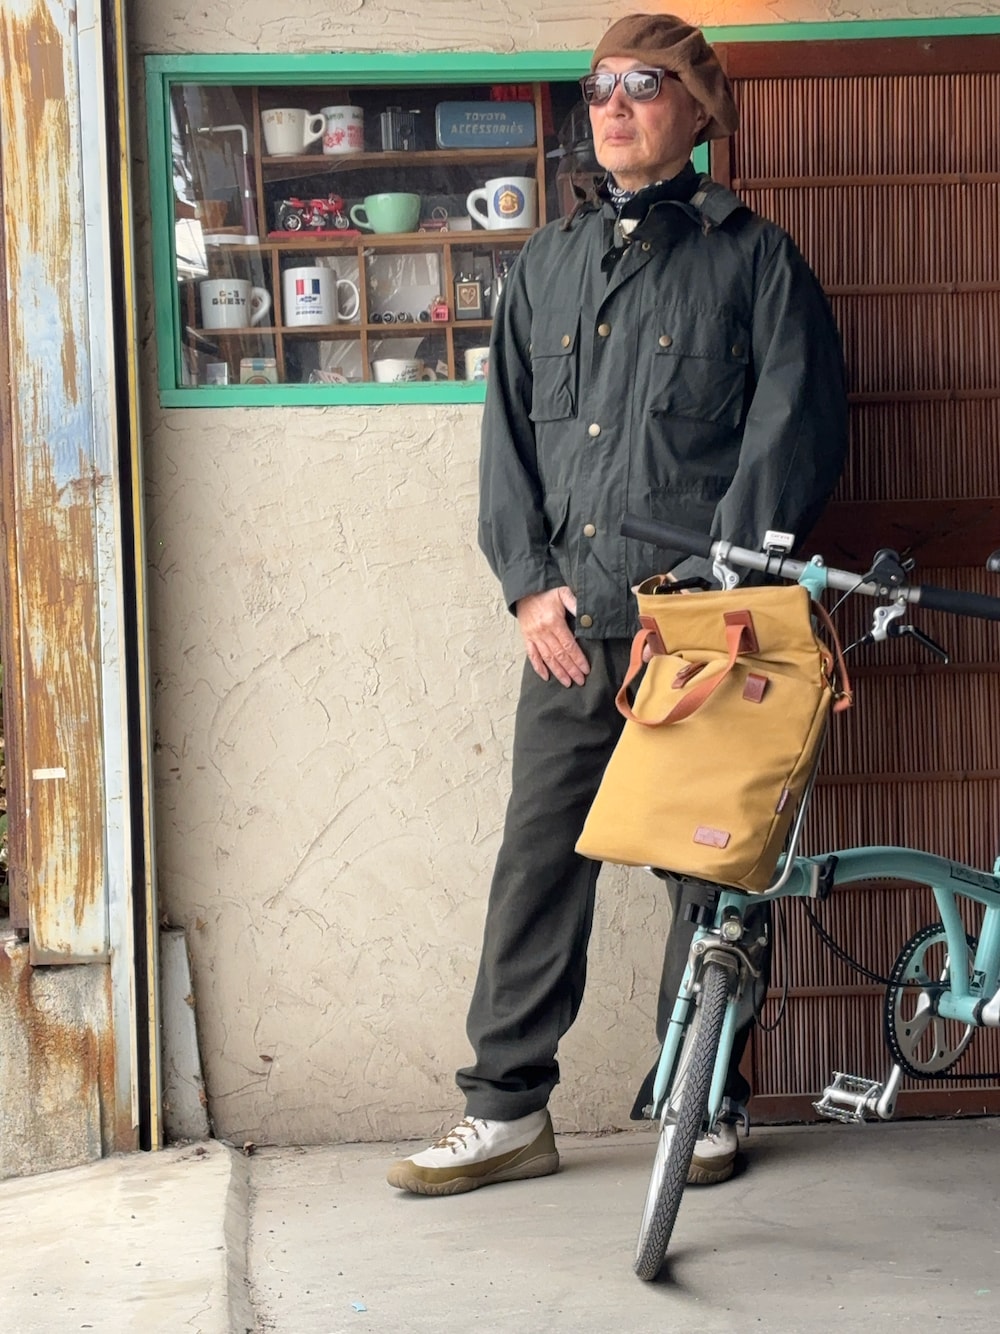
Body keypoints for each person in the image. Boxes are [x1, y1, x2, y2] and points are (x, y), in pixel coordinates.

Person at [387, 12, 848, 1196]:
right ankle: (504, 1112)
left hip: (700, 639)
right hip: (567, 634)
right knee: (536, 865)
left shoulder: (757, 260)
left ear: (698, 108)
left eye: (643, 83)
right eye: (598, 86)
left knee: (709, 870)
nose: (614, 105)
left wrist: (708, 596)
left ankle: (701, 1099)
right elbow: (507, 443)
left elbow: (791, 438)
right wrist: (526, 587)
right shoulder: (545, 262)